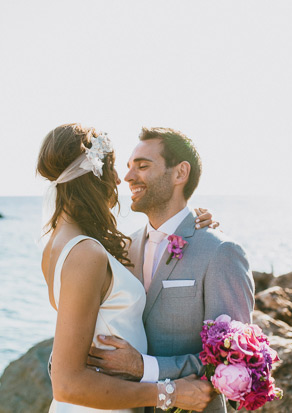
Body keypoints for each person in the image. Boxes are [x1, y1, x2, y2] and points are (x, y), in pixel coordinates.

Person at [37, 123, 215, 413]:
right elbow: (67, 383)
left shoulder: (58, 244)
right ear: (92, 174)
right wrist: (171, 393)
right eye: (112, 168)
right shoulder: (85, 253)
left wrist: (190, 226)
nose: (119, 180)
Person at [87, 127, 255, 413]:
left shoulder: (220, 252)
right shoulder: (125, 249)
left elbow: (235, 361)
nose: (127, 177)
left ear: (180, 173)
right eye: (129, 167)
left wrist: (144, 367)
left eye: (142, 166)